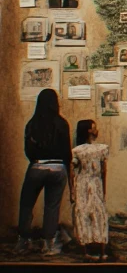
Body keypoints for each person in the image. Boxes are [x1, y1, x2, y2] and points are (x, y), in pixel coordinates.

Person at [15, 89, 72, 256]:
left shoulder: (32, 124)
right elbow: (67, 153)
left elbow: (28, 152)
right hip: (58, 168)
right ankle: (50, 244)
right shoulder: (62, 123)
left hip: (37, 166)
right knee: (52, 206)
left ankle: (24, 241)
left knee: (26, 204)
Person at [70, 120, 109, 261]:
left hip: (82, 183)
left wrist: (72, 190)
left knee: (83, 214)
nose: (96, 130)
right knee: (99, 213)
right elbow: (104, 171)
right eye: (94, 128)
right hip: (95, 182)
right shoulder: (101, 149)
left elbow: (73, 171)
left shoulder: (77, 150)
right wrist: (103, 189)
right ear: (89, 131)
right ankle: (102, 250)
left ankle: (86, 249)